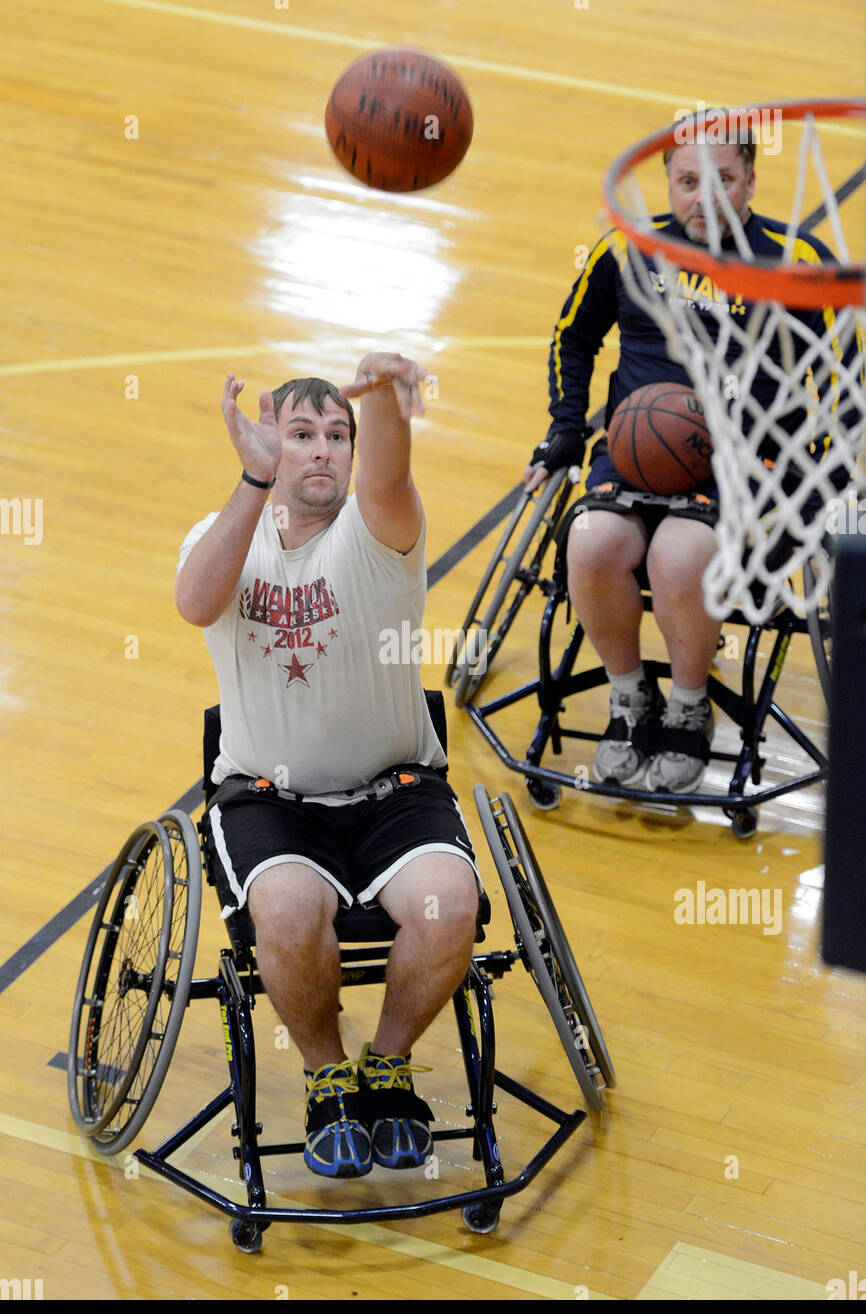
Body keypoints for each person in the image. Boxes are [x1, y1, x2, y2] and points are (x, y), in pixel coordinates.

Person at [175, 352, 481, 1180]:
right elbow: (196, 604)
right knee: (283, 914)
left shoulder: (379, 534)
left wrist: (380, 398)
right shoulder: (222, 535)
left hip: (396, 794)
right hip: (271, 801)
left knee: (449, 908)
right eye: (299, 434)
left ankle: (385, 1063)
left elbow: (388, 473)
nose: (320, 450)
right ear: (268, 441)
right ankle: (325, 1076)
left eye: (335, 436)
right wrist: (252, 480)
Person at [524, 122, 848, 799]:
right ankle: (628, 699)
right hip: (636, 451)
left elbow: (847, 372)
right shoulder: (628, 250)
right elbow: (571, 337)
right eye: (688, 181)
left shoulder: (794, 259)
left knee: (678, 555)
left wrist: (826, 474)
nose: (705, 198)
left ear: (752, 182)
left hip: (746, 464)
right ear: (669, 184)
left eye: (723, 179)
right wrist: (564, 428)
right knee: (590, 543)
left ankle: (690, 705)